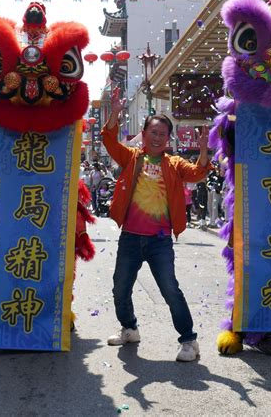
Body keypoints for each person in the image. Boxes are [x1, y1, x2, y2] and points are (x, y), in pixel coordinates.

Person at [101, 89, 210, 362]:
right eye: (154, 132)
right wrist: (114, 112)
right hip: (130, 238)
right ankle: (129, 328)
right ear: (144, 133)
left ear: (168, 138)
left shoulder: (174, 164)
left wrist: (204, 150)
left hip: (159, 241)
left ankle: (189, 341)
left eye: (163, 134)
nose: (158, 137)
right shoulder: (131, 158)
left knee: (170, 289)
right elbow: (108, 139)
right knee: (120, 287)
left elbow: (197, 174)